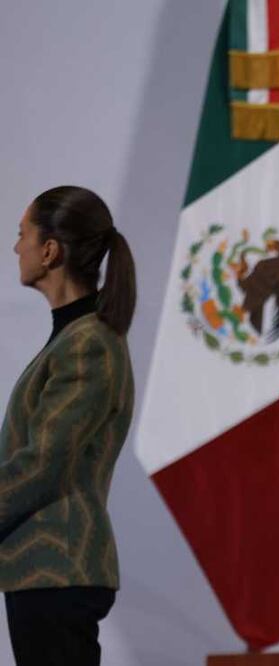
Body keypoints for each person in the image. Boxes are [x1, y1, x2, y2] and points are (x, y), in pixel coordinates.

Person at [2, 186, 136, 665]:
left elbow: (42, 462)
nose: (16, 247)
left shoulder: (87, 343)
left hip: (57, 567)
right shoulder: (76, 337)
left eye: (23, 235)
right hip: (44, 570)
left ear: (50, 250)